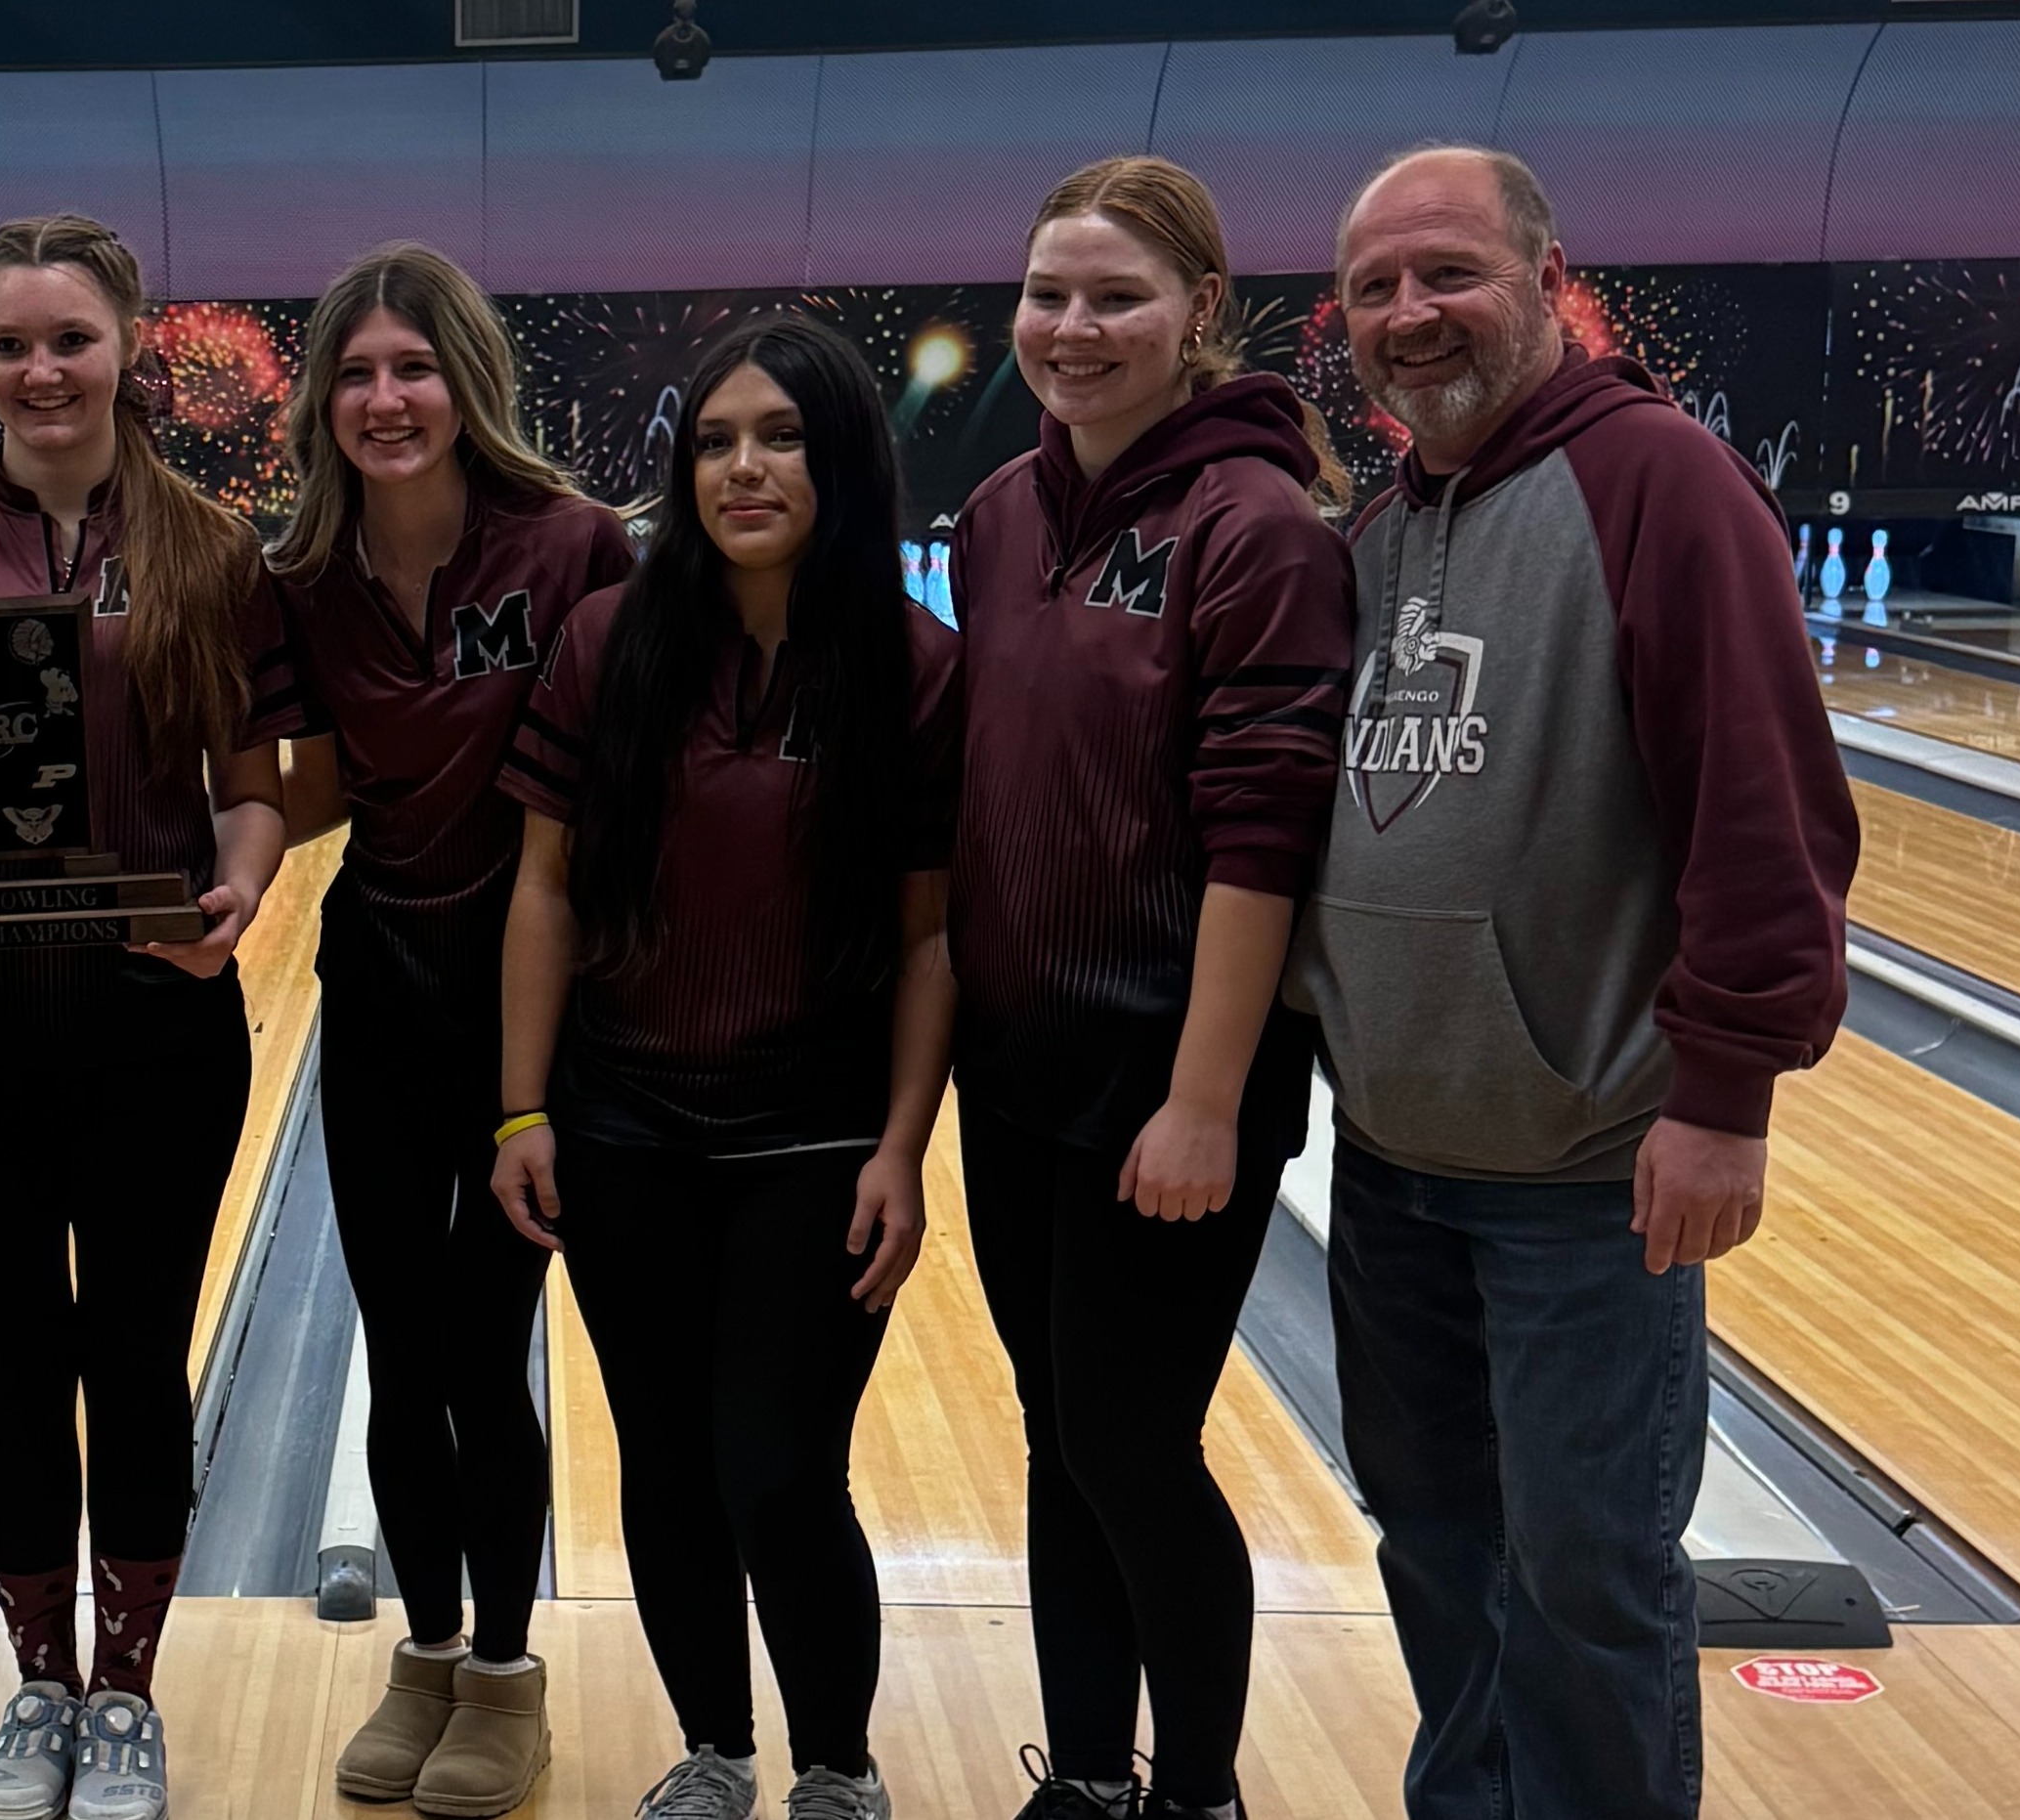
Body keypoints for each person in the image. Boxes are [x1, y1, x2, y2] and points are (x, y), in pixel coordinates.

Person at [1295, 145, 1857, 1820]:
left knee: (1590, 1574)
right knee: (1437, 1546)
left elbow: (1767, 809)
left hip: (1586, 1176)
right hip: (1395, 1166)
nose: (1413, 313)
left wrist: (1725, 1096)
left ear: (1548, 280)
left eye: (1451, 272)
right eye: (1380, 287)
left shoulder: (1657, 483)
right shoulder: (1383, 526)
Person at [0, 212, 287, 1820]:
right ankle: (38, 1686)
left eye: (70, 340)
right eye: (11, 344)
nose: (42, 370)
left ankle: (129, 1691)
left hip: (156, 1018)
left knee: (140, 1358)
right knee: (14, 1359)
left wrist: (239, 894)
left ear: (128, 347)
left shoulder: (213, 550)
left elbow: (252, 795)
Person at [487, 313, 962, 1820]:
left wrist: (904, 1144)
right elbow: (547, 887)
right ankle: (716, 1747)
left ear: (844, 461)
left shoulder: (914, 665)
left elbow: (932, 935)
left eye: (780, 437)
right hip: (626, 1124)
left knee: (776, 1466)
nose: (743, 467)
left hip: (813, 1135)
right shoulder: (609, 643)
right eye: (714, 440)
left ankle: (836, 1762)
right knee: (668, 1468)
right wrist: (522, 1105)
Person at [945, 154, 1354, 1820]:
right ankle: (1092, 1778)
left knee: (1127, 1441)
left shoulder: (1253, 526)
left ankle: (1198, 1792)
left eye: (1116, 296)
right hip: (1018, 1066)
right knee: (1062, 1434)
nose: (1072, 325)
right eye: (1049, 293)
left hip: (1171, 1081)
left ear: (1201, 314)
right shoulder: (1000, 515)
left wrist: (1202, 1098)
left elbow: (1263, 840)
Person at [254, 242, 632, 1819]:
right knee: (405, 1352)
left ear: (464, 381)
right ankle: (421, 1654)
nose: (385, 397)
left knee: (486, 1346)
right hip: (386, 978)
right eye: (355, 372)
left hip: (547, 996)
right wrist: (163, 845)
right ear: (324, 403)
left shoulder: (574, 546)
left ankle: (504, 1671)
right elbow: (326, 786)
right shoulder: (305, 578)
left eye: (413, 367)